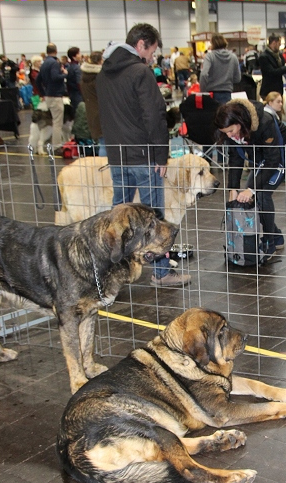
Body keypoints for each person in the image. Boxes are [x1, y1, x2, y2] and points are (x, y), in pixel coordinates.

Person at [96, 23, 190, 287]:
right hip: (144, 156)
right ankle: (161, 273)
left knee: (116, 218)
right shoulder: (140, 72)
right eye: (152, 51)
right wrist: (161, 155)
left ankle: (109, 272)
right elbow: (155, 115)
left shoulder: (103, 74)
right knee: (154, 218)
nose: (153, 57)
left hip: (117, 156)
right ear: (141, 45)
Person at [214, 98, 286, 260]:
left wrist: (251, 188)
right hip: (261, 159)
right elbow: (236, 158)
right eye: (225, 133)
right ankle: (276, 236)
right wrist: (233, 188)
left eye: (231, 131)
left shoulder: (264, 122)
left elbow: (273, 160)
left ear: (240, 122)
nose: (229, 135)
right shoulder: (230, 130)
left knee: (261, 194)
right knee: (250, 198)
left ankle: (269, 242)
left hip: (281, 156)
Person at [36, 43, 67, 155]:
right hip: (55, 96)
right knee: (57, 122)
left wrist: (43, 93)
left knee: (55, 121)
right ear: (56, 51)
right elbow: (55, 77)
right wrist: (65, 74)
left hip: (49, 96)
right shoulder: (54, 63)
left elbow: (37, 80)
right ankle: (57, 146)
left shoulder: (44, 63)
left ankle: (57, 143)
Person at [263, 91, 286, 179]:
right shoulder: (269, 116)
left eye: (281, 102)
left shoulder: (272, 115)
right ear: (270, 102)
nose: (281, 104)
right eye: (278, 102)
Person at [199, 34, 241, 105]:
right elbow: (238, 78)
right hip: (227, 93)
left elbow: (203, 74)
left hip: (212, 94)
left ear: (213, 44)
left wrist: (203, 91)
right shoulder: (233, 57)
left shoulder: (210, 56)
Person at [80, 51, 106, 156]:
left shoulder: (84, 77)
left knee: (103, 144)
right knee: (105, 145)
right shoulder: (99, 78)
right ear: (100, 61)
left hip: (92, 113)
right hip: (103, 114)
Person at [259, 33, 286, 100]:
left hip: (279, 91)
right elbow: (271, 72)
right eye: (279, 44)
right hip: (268, 92)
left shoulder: (279, 55)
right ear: (274, 42)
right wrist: (285, 67)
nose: (280, 46)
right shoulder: (263, 57)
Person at [66, 46, 83, 111]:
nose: (81, 55)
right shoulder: (77, 68)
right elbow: (79, 83)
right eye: (79, 53)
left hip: (72, 93)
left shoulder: (69, 66)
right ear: (74, 56)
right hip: (78, 94)